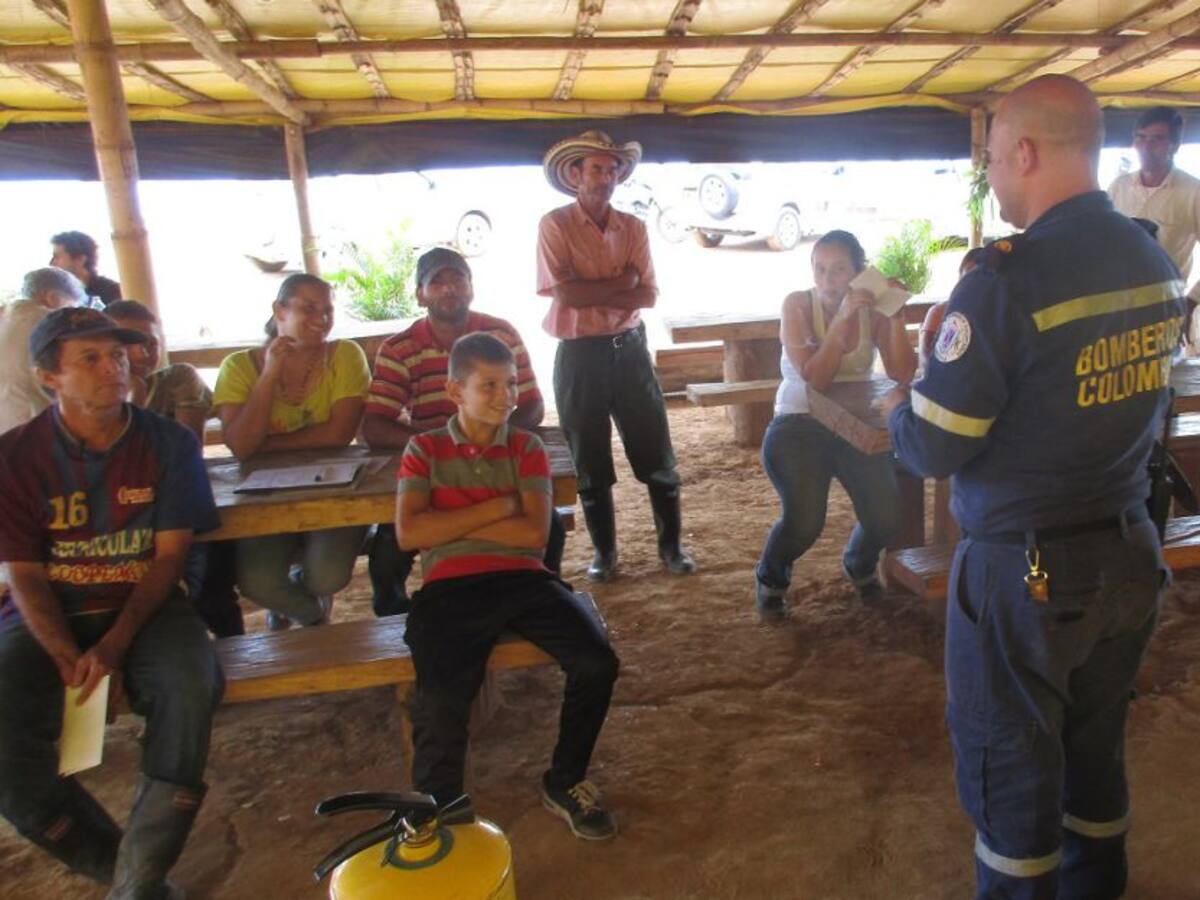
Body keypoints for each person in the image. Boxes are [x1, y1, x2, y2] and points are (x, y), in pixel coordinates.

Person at [881, 75, 1185, 899]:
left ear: (1025, 150)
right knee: (1094, 756)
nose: (992, 178)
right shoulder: (1152, 257)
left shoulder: (1006, 280)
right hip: (1128, 554)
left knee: (1010, 769)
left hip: (1027, 577)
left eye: (990, 159)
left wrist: (901, 400)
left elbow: (935, 445)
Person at [0, 306, 224, 899]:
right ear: (49, 376)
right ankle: (128, 875)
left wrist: (112, 646)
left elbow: (169, 557)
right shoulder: (14, 456)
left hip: (143, 608)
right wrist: (67, 655)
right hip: (48, 612)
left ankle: (138, 879)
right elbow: (23, 574)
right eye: (90, 359)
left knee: (189, 682)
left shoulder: (168, 443)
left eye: (119, 355)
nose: (113, 369)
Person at [396, 332, 619, 839]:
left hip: (524, 579)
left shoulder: (526, 446)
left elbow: (532, 535)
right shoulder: (424, 449)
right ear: (455, 392)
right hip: (449, 587)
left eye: (512, 384)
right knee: (441, 694)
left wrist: (449, 520)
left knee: (596, 661)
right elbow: (411, 533)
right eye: (489, 385)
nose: (506, 396)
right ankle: (436, 805)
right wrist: (498, 506)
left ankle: (565, 780)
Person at [361, 246, 563, 616]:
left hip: (498, 461)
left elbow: (532, 403)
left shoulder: (500, 333)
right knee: (389, 547)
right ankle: (398, 622)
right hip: (433, 467)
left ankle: (537, 603)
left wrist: (491, 432)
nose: (449, 288)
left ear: (471, 287)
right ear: (420, 294)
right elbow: (373, 425)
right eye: (436, 282)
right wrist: (440, 444)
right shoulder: (400, 348)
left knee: (551, 529)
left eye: (458, 278)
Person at [537, 129, 694, 582]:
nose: (606, 177)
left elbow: (647, 297)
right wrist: (620, 286)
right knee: (588, 459)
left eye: (612, 170)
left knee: (656, 451)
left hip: (629, 351)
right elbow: (565, 296)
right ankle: (605, 555)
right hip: (578, 355)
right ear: (574, 174)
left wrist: (601, 292)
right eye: (596, 169)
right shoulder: (555, 224)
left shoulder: (634, 227)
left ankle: (672, 548)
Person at [753, 230, 917, 621]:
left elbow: (902, 372)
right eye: (820, 269)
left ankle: (859, 565)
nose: (827, 280)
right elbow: (815, 378)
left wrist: (895, 319)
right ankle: (771, 579)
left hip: (855, 423)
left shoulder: (872, 310)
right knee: (805, 519)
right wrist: (842, 319)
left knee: (886, 516)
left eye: (839, 270)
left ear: (859, 273)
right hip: (797, 423)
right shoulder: (796, 304)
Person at [212, 274, 370, 630]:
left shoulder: (344, 355)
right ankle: (312, 616)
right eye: (308, 308)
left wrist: (263, 446)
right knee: (257, 583)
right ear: (279, 311)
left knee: (327, 578)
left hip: (336, 489)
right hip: (263, 496)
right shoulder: (240, 367)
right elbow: (240, 445)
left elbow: (339, 435)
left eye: (328, 310)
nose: (322, 319)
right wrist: (270, 373)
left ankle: (303, 599)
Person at [106, 300, 244, 638]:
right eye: (129, 343)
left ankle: (230, 654)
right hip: (124, 520)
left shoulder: (179, 378)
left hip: (183, 506)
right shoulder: (94, 400)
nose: (144, 351)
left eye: (152, 342)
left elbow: (187, 451)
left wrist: (135, 399)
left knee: (213, 589)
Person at [0, 267, 89, 433]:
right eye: (71, 305)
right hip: (35, 426)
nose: (72, 311)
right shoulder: (50, 321)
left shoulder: (6, 317)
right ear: (53, 298)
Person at [918, 246, 986, 369]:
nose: (972, 284)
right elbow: (926, 360)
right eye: (967, 278)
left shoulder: (997, 315)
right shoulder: (940, 311)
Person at [49, 230, 122, 307]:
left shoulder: (112, 292)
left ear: (80, 259)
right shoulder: (55, 294)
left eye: (57, 257)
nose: (51, 263)